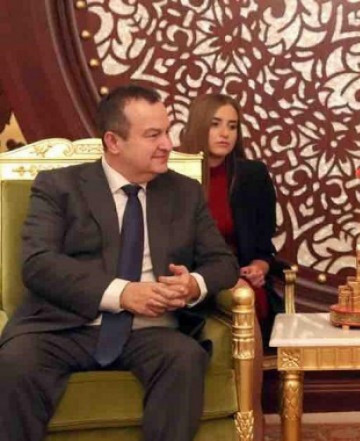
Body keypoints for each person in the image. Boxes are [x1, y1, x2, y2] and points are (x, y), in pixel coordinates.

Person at [0, 85, 239, 441]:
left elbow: (222, 262)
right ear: (113, 142)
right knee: (16, 363)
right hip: (64, 326)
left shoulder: (184, 192)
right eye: (153, 135)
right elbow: (39, 263)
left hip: (151, 330)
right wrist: (122, 293)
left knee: (185, 358)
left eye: (167, 132)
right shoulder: (59, 187)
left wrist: (192, 285)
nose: (168, 144)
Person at [180, 93, 279, 441]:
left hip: (239, 282)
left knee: (245, 300)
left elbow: (265, 246)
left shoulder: (251, 175)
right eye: (215, 124)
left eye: (233, 126)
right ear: (198, 126)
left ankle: (252, 421)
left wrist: (261, 265)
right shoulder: (175, 172)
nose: (225, 134)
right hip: (190, 280)